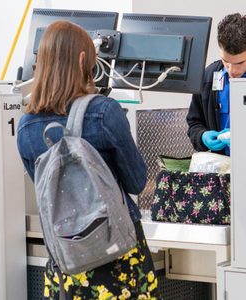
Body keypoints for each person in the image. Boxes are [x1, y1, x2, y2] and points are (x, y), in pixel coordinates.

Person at [17, 21, 161, 300]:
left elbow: (45, 187)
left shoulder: (26, 128)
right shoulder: (104, 112)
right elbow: (137, 182)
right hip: (116, 256)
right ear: (83, 60)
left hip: (66, 261)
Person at [186, 13, 246, 155]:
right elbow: (194, 123)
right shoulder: (208, 77)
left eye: (240, 62)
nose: (232, 70)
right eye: (226, 61)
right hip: (221, 169)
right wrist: (202, 136)